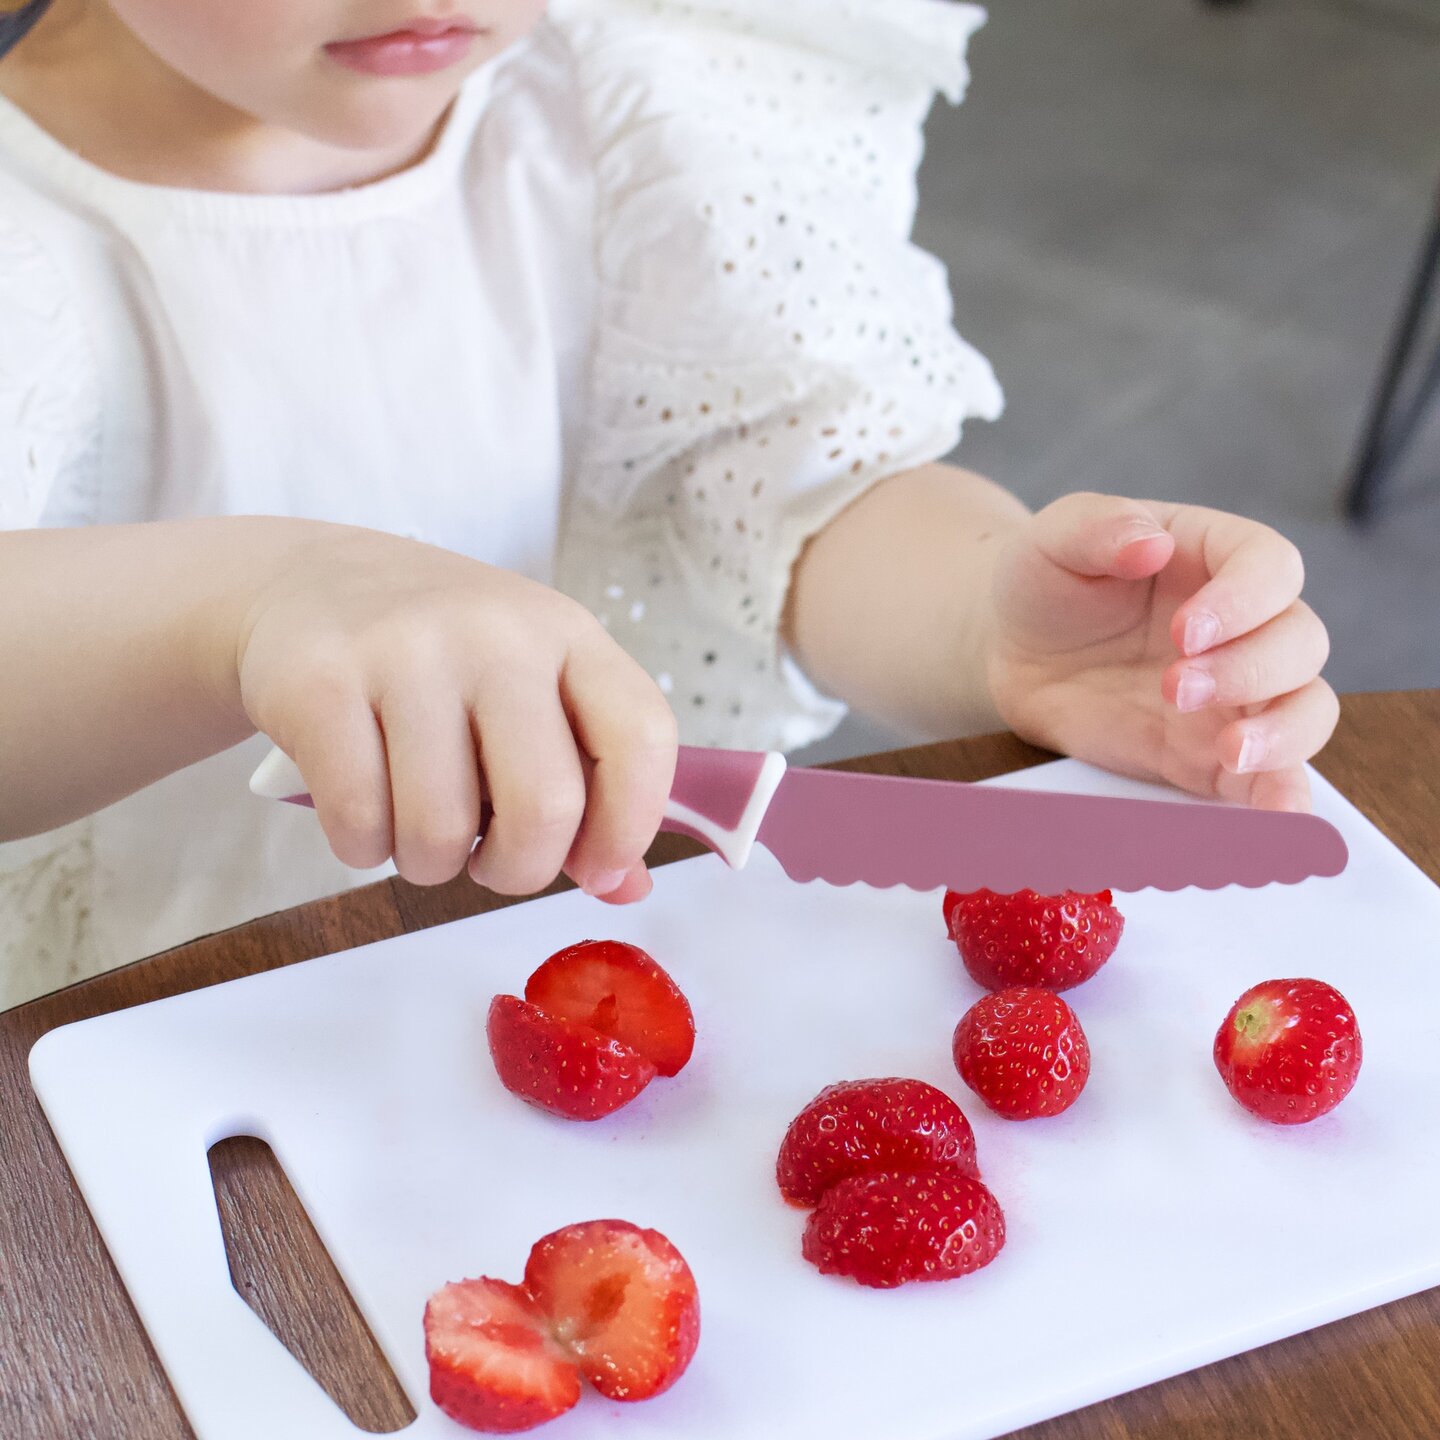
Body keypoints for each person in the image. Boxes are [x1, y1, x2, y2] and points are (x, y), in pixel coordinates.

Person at [0, 0, 1336, 1009]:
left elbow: (778, 491)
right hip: (131, 1034)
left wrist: (991, 625)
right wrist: (253, 606)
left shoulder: (623, 106)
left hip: (572, 993)